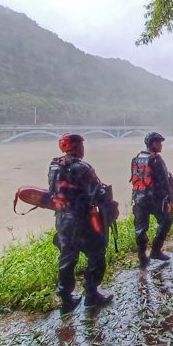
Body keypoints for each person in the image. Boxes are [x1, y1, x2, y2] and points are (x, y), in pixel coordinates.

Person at [48, 133, 113, 313]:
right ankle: (91, 295)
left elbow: (53, 191)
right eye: (82, 145)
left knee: (67, 258)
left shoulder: (54, 166)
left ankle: (66, 299)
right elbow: (97, 193)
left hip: (62, 219)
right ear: (77, 147)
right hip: (82, 220)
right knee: (96, 254)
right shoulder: (83, 168)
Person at [130, 132, 173, 267]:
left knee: (140, 228)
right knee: (167, 220)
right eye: (159, 142)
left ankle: (142, 256)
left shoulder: (136, 158)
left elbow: (134, 179)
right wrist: (170, 198)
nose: (161, 145)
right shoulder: (156, 159)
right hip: (154, 199)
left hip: (138, 198)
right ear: (153, 143)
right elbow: (164, 181)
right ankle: (155, 250)